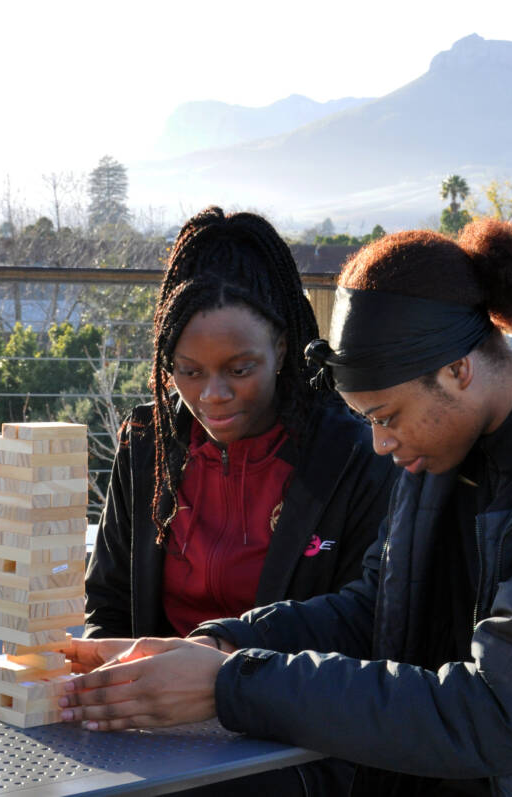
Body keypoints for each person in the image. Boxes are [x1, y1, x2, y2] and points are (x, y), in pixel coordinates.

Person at [63, 218, 512, 796]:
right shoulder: (452, 442)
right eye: (366, 418)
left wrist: (231, 685)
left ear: (459, 370)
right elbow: (377, 610)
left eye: (387, 415)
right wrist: (225, 643)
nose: (379, 443)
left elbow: (494, 713)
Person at [83, 206, 396, 794]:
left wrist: (226, 678)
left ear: (282, 345)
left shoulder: (358, 452)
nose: (213, 395)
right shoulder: (148, 444)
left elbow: (367, 629)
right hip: (155, 742)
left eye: (239, 368)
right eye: (188, 371)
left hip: (296, 748)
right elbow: (109, 603)